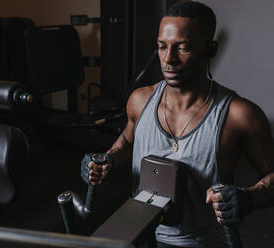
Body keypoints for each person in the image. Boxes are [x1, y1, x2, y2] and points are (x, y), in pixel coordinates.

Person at [80, 1, 274, 247]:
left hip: (201, 241)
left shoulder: (239, 115)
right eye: (162, 47)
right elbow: (126, 144)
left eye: (182, 48)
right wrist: (103, 161)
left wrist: (249, 198)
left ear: (209, 49)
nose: (168, 59)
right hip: (139, 232)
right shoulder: (139, 101)